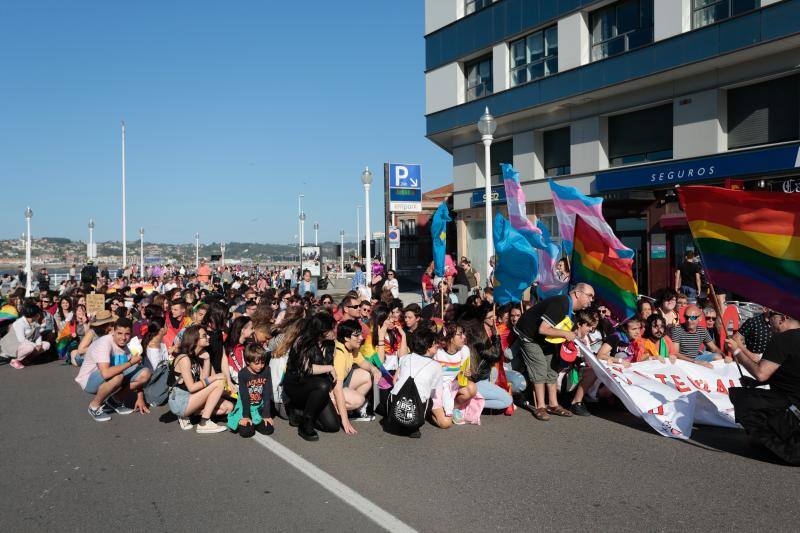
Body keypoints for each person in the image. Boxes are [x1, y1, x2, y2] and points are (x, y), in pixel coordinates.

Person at [726, 312, 800, 464]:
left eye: (772, 315)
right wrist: (755, 384)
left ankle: (778, 446)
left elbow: (761, 374)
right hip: (793, 401)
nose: (768, 321)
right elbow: (791, 372)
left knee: (742, 398)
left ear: (783, 317)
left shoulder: (782, 339)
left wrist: (737, 351)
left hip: (791, 407)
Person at [515, 283, 595, 420]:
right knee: (539, 367)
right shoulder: (561, 303)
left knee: (552, 368)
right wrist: (565, 334)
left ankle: (553, 404)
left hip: (546, 339)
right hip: (529, 335)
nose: (591, 300)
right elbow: (543, 329)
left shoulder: (573, 310)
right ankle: (540, 406)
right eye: (589, 296)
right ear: (577, 293)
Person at [75, 318, 152, 421]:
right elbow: (106, 373)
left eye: (127, 334)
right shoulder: (104, 343)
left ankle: (114, 400)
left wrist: (140, 397)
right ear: (113, 332)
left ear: (131, 334)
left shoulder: (126, 347)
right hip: (89, 381)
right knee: (117, 376)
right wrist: (131, 362)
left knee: (145, 373)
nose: (123, 338)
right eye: (119, 333)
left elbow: (131, 369)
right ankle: (94, 406)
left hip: (112, 377)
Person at [282, 313, 341, 441]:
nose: (335, 331)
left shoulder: (331, 344)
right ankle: (306, 423)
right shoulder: (302, 341)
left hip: (318, 388)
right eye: (331, 328)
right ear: (321, 330)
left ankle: (301, 413)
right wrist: (330, 368)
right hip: (297, 385)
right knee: (322, 384)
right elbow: (306, 369)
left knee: (333, 426)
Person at [570, 316, 642, 416]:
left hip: (621, 374)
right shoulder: (615, 337)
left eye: (639, 328)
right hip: (605, 374)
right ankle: (584, 398)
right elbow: (600, 355)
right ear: (625, 329)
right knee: (621, 356)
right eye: (634, 329)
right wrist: (620, 360)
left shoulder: (634, 342)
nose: (637, 332)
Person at [168, 325, 232, 433]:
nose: (208, 337)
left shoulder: (196, 357)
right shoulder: (184, 358)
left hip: (191, 398)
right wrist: (215, 377)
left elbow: (204, 380)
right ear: (195, 340)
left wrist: (207, 360)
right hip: (180, 401)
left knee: (228, 407)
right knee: (219, 382)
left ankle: (190, 415)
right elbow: (192, 387)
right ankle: (204, 422)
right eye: (204, 335)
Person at [386, 327, 443, 438]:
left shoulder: (406, 358)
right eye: (435, 343)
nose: (438, 345)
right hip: (416, 407)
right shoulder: (436, 366)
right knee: (429, 400)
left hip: (394, 403)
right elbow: (433, 391)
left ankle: (397, 422)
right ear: (428, 347)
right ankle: (413, 427)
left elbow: (395, 380)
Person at [332, 320, 380, 429]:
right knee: (359, 400)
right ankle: (333, 408)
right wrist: (345, 421)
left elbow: (362, 362)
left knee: (366, 375)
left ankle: (351, 409)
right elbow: (337, 389)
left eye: (360, 334)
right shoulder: (340, 355)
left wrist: (374, 369)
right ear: (346, 338)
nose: (361, 338)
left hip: (341, 382)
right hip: (331, 388)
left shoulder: (350, 347)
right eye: (356, 335)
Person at [432, 322, 478, 428]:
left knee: (472, 388)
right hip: (436, 388)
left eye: (463, 334)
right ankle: (432, 411)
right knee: (445, 424)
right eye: (460, 334)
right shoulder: (437, 350)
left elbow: (463, 374)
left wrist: (467, 373)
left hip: (452, 385)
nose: (464, 337)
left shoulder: (464, 350)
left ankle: (452, 408)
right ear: (450, 338)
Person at [227, 343, 275, 438]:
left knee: (268, 429)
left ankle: (256, 420)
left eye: (262, 362)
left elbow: (267, 393)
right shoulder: (243, 374)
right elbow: (244, 396)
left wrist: (266, 415)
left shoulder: (266, 370)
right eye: (256, 363)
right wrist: (246, 416)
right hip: (245, 406)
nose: (260, 366)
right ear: (248, 361)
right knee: (246, 432)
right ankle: (246, 420)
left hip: (259, 407)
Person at [0, 302, 50, 369]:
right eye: (38, 314)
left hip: (26, 344)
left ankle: (26, 359)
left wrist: (39, 344)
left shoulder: (35, 322)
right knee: (30, 347)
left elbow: (38, 335)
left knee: (46, 345)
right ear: (33, 315)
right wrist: (35, 346)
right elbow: (21, 340)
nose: (40, 315)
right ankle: (15, 360)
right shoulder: (19, 323)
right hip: (13, 345)